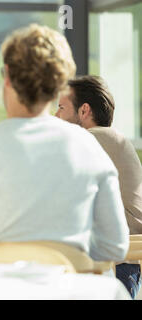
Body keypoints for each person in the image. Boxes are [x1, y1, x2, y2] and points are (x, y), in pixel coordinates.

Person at [0, 24, 129, 264]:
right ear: (60, 85)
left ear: (7, 77)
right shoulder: (89, 147)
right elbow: (114, 247)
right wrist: (61, 255)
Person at [56, 75, 142, 299]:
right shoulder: (108, 140)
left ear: (84, 111)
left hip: (113, 267)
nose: (55, 116)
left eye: (61, 108)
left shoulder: (95, 138)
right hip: (113, 263)